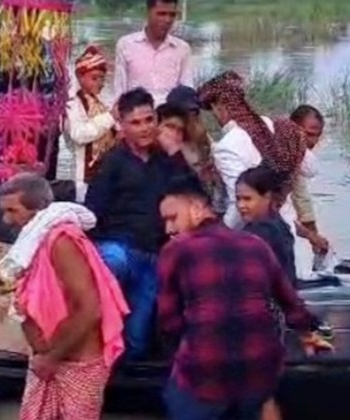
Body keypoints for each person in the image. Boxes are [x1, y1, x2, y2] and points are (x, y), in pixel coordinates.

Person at [156, 181, 327, 420]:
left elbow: (168, 319)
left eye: (173, 218)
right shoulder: (254, 243)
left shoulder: (176, 250)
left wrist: (178, 353)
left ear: (198, 210)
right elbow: (289, 301)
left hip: (205, 358)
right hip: (261, 353)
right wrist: (308, 333)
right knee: (263, 400)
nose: (168, 229)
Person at [0, 173, 129, 420]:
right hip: (50, 358)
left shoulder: (60, 241)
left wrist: (52, 357)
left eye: (12, 211)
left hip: (73, 361)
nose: (6, 221)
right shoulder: (36, 241)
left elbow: (89, 308)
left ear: (37, 210)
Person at [84, 87, 191, 359]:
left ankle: (129, 380)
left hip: (153, 254)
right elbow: (91, 213)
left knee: (138, 339)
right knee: (114, 260)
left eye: (149, 120)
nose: (144, 128)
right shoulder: (112, 163)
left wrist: (175, 153)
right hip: (117, 247)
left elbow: (190, 197)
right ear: (122, 126)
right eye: (135, 123)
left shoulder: (166, 160)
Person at [197, 71, 306, 229]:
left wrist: (222, 237)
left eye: (212, 109)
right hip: (285, 224)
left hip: (258, 233)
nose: (214, 115)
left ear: (219, 106)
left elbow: (238, 204)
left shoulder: (226, 147)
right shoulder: (267, 123)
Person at [112, 0, 193, 101]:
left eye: (172, 15)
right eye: (161, 14)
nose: (167, 20)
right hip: (137, 115)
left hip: (169, 115)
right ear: (148, 12)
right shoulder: (126, 45)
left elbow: (187, 90)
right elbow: (120, 91)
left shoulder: (182, 49)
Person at [157, 85, 227, 217]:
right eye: (186, 112)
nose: (190, 117)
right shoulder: (163, 139)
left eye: (194, 113)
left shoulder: (202, 138)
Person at [63, 46, 117, 201]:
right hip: (82, 176)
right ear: (80, 78)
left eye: (102, 78)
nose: (100, 83)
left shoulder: (101, 104)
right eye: (94, 78)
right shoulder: (72, 105)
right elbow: (79, 135)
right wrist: (111, 117)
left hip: (103, 172)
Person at [237, 166, 297, 285]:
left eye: (247, 199)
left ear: (268, 197)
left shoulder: (260, 234)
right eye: (238, 199)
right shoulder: (279, 224)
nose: (240, 205)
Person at [289, 105, 331, 258]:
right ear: (292, 128)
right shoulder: (277, 156)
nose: (312, 142)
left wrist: (315, 238)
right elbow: (275, 216)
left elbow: (302, 200)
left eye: (317, 136)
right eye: (308, 134)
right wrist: (311, 236)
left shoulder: (297, 157)